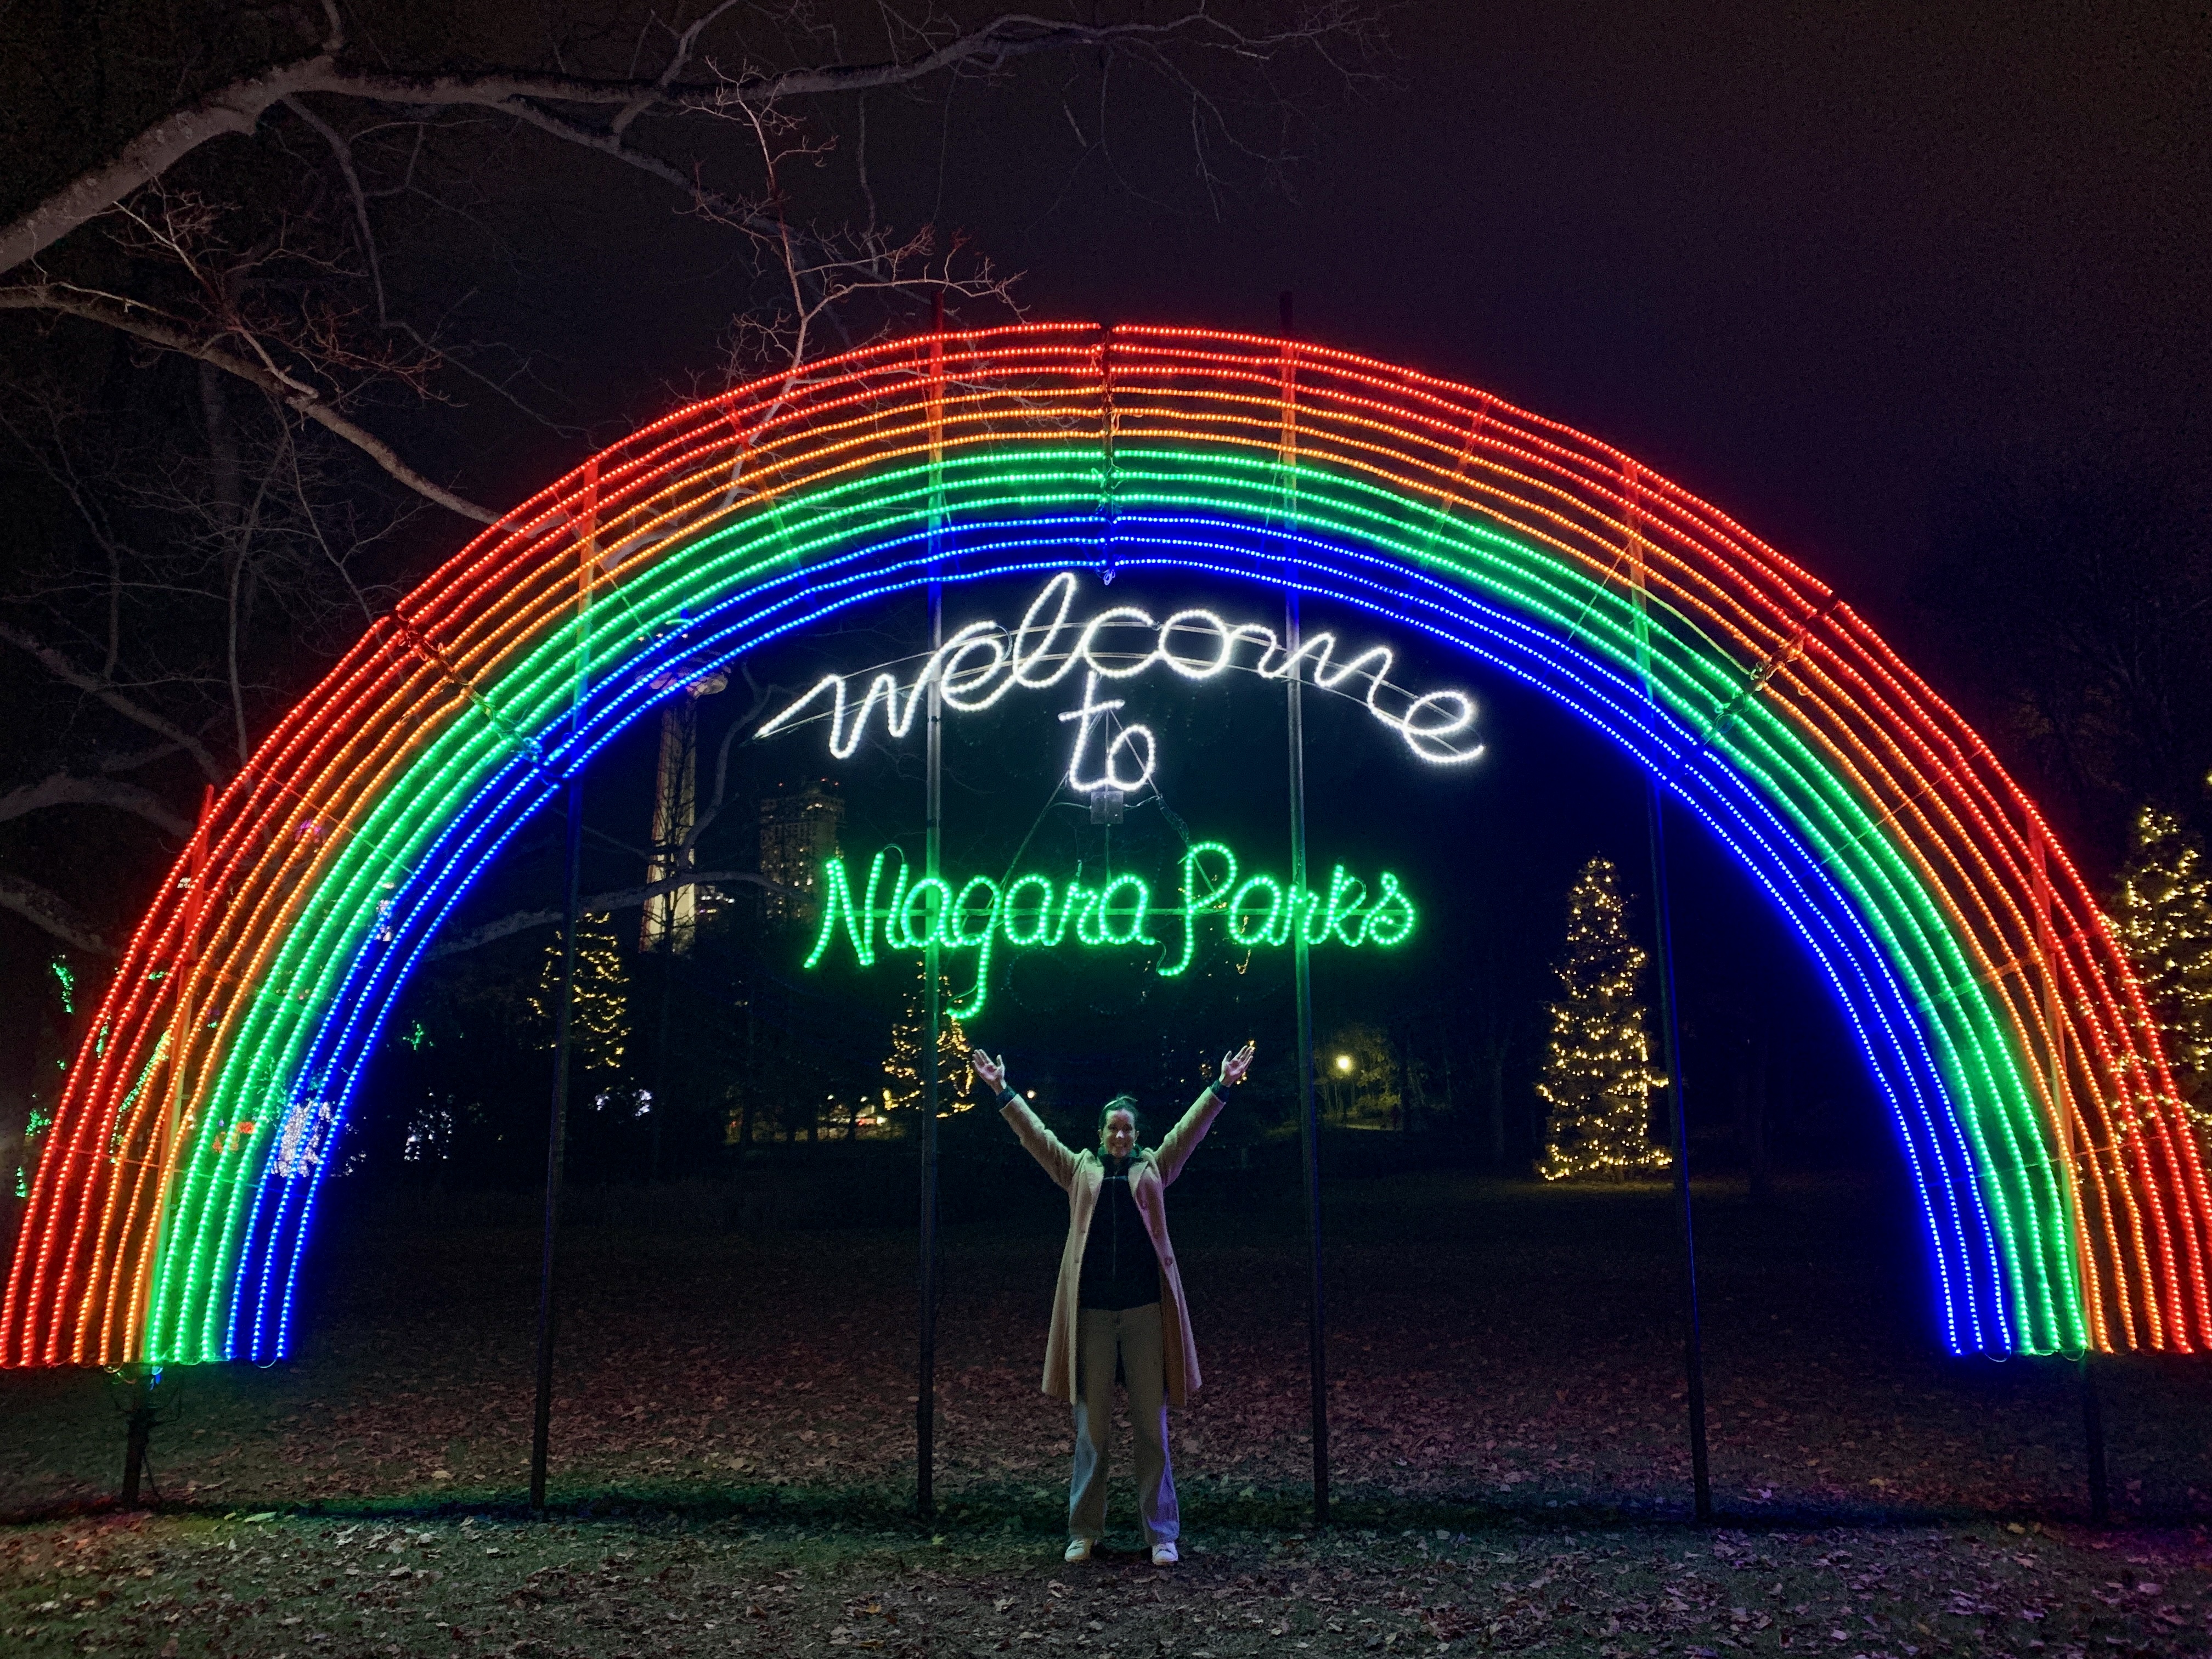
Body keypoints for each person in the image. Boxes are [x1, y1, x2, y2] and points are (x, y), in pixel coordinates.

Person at [969, 1040, 1256, 1567]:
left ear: (1136, 1134)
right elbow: (1036, 1137)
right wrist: (1000, 1089)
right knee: (1092, 1432)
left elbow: (1189, 1132)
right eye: (1111, 1128)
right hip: (1093, 1318)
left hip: (1146, 1314)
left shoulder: (1155, 1168)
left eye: (1127, 1128)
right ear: (1100, 1134)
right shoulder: (1079, 1170)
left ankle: (1161, 1533)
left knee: (1153, 1429)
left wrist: (1222, 1086)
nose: (1119, 1135)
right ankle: (1084, 1530)